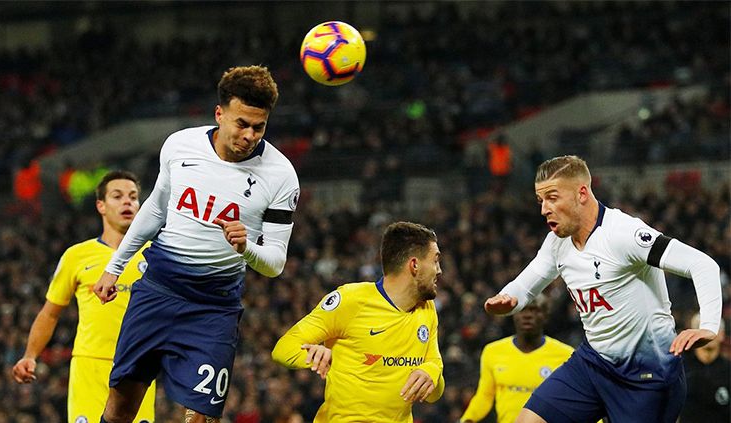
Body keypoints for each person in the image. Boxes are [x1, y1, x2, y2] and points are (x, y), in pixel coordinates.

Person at [93, 65, 300, 423]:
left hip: (213, 308)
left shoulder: (281, 176)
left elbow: (275, 263)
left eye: (259, 127)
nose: (250, 135)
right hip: (157, 290)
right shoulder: (180, 145)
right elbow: (155, 209)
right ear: (220, 114)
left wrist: (246, 247)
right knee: (121, 406)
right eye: (241, 124)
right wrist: (115, 267)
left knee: (202, 416)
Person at [484, 155, 722, 423]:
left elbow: (702, 264)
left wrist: (710, 325)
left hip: (647, 377)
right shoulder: (557, 243)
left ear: (582, 193)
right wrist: (508, 300)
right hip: (594, 363)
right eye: (541, 201)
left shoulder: (624, 234)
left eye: (553, 198)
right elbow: (525, 286)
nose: (544, 210)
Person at [12, 170, 156, 423]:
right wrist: (30, 355)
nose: (127, 202)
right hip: (89, 367)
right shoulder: (77, 256)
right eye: (117, 196)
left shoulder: (155, 255)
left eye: (133, 197)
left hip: (138, 365)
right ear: (101, 205)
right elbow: (50, 312)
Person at [271, 221, 445, 422]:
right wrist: (314, 354)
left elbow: (434, 388)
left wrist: (431, 372)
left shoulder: (427, 309)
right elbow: (283, 349)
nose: (439, 270)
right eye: (435, 261)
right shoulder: (350, 300)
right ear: (414, 265)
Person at [460, 295, 574, 423]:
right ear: (513, 314)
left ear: (545, 316)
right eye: (522, 310)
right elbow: (485, 396)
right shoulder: (493, 351)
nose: (527, 315)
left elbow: (578, 400)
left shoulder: (566, 355)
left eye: (534, 310)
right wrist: (467, 420)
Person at [680, 313, 730, 423]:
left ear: (721, 334)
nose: (706, 336)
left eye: (711, 330)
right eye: (701, 330)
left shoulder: (728, 370)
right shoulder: (680, 368)